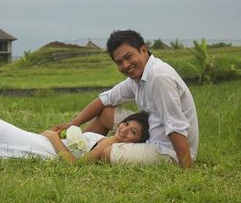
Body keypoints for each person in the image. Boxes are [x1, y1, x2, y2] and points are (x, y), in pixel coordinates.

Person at [54, 30, 199, 168]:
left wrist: (186, 166)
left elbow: (175, 124)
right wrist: (73, 124)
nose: (125, 65)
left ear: (143, 50)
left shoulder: (159, 77)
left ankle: (85, 155)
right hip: (148, 131)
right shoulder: (138, 78)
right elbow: (106, 99)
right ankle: (77, 148)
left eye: (128, 57)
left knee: (107, 154)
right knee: (107, 113)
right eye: (119, 62)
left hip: (168, 149)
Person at [0, 106, 151, 164]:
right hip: (42, 142)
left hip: (45, 149)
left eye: (133, 133)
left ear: (137, 141)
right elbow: (104, 105)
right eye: (127, 123)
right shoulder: (107, 135)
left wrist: (55, 138)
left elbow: (76, 166)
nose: (125, 130)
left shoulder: (109, 145)